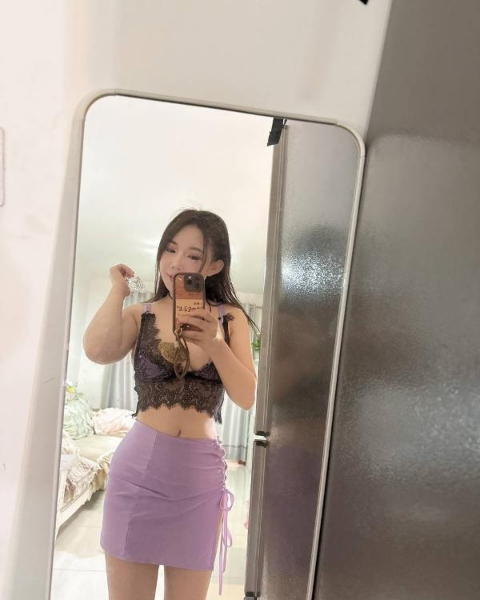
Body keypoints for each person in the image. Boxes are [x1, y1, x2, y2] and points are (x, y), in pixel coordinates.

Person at [83, 209, 257, 600]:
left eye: (193, 256)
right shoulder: (140, 314)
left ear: (214, 266)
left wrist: (215, 344)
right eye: (170, 249)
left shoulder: (231, 319)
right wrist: (118, 291)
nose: (176, 263)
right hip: (137, 474)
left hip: (199, 480)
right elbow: (96, 350)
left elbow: (246, 396)